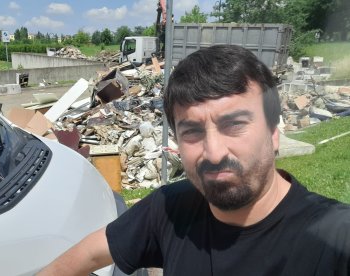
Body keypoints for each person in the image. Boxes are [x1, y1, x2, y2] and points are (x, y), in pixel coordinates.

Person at [38, 45, 350, 276]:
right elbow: (77, 261)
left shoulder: (335, 239)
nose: (214, 153)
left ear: (273, 132)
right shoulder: (169, 208)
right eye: (192, 131)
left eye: (234, 125)